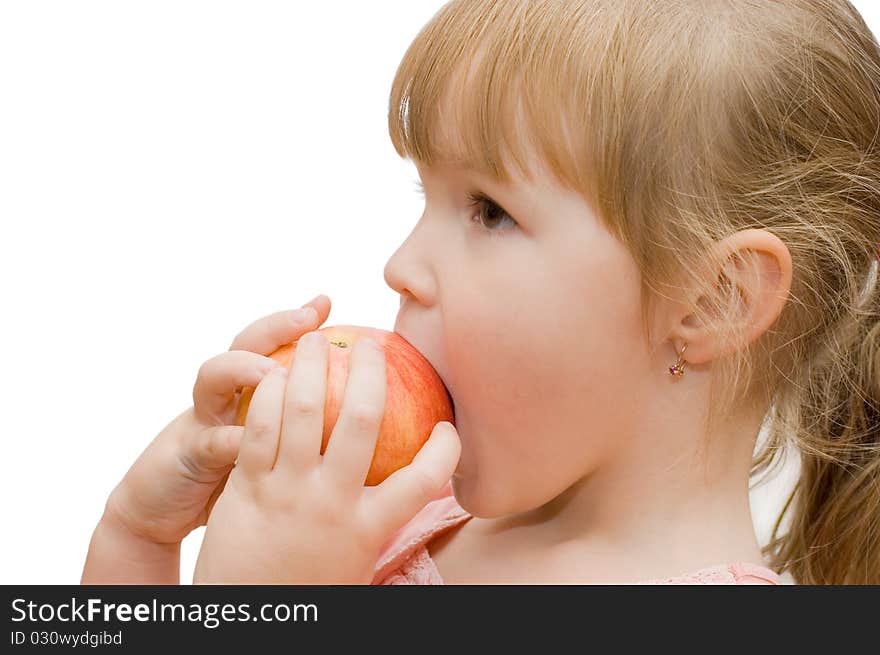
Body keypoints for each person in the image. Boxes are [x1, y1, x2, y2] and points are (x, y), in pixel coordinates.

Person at [83, 0, 880, 585]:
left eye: (491, 211)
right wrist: (139, 537)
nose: (400, 265)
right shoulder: (399, 523)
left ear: (713, 301)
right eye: (424, 197)